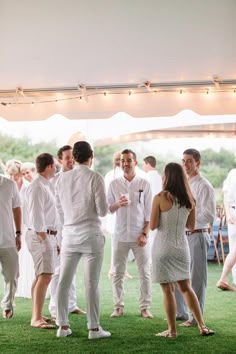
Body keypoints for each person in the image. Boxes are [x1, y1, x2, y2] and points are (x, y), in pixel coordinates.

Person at [150, 162, 215, 338]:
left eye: (164, 174)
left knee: (168, 290)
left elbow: (153, 225)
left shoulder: (160, 197)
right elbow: (191, 226)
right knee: (187, 288)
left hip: (163, 248)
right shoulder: (190, 199)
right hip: (182, 248)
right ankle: (202, 326)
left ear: (167, 177)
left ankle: (172, 331)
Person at [55, 141, 111, 339]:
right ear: (91, 155)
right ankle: (94, 329)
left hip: (69, 235)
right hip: (91, 235)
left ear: (74, 157)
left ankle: (62, 326)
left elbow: (59, 210)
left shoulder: (61, 179)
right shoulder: (95, 177)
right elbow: (103, 211)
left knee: (63, 281)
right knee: (91, 283)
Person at [108, 149, 153, 319]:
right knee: (118, 273)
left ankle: (145, 307)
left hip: (138, 235)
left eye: (128, 160)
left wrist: (144, 234)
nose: (125, 163)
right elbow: (108, 209)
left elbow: (149, 213)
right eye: (122, 160)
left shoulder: (144, 184)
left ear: (135, 162)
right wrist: (117, 204)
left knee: (145, 272)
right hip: (120, 235)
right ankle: (118, 306)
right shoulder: (113, 184)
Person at [175, 149, 216, 326]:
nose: (185, 164)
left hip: (197, 235)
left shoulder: (204, 185)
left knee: (197, 278)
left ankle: (194, 317)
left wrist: (186, 218)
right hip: (181, 236)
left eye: (189, 161)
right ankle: (181, 312)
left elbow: (208, 215)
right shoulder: (183, 184)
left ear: (198, 163)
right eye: (183, 161)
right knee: (179, 274)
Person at [48, 145, 86, 318]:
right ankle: (55, 306)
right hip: (59, 231)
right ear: (59, 160)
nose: (71, 160)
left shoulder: (78, 178)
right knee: (58, 271)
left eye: (73, 157)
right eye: (67, 157)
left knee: (71, 269)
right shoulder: (54, 181)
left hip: (74, 230)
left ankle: (71, 304)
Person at [25, 153, 58, 329]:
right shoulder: (37, 186)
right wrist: (45, 241)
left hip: (47, 235)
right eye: (54, 165)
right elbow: (36, 217)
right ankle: (36, 318)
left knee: (41, 275)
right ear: (48, 166)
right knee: (46, 275)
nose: (56, 168)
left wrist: (54, 240)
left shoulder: (46, 185)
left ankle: (37, 314)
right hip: (40, 236)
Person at [5, 160, 34, 299]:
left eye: (15, 175)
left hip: (26, 223)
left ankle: (27, 287)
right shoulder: (7, 186)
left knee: (26, 255)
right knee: (14, 257)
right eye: (10, 175)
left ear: (20, 174)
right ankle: (16, 287)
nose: (13, 178)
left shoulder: (28, 187)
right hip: (10, 224)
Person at [105, 151, 132, 279]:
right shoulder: (109, 175)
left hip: (125, 214)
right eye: (116, 159)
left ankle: (122, 270)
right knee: (115, 245)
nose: (117, 162)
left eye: (119, 159)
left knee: (123, 245)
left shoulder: (125, 174)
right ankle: (113, 269)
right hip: (113, 212)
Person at [0, 173, 22, 318]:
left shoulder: (10, 184)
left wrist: (18, 232)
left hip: (8, 239)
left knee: (13, 275)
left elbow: (17, 209)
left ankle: (8, 304)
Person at [143, 155, 162, 262]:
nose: (143, 167)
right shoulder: (160, 177)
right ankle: (154, 258)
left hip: (148, 209)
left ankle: (150, 260)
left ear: (148, 164)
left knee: (149, 235)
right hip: (160, 209)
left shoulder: (146, 177)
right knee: (155, 235)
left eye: (144, 164)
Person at [222, 168, 236, 285]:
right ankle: (229, 278)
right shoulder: (232, 173)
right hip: (233, 212)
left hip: (232, 212)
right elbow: (225, 195)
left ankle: (224, 278)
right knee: (234, 247)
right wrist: (228, 214)